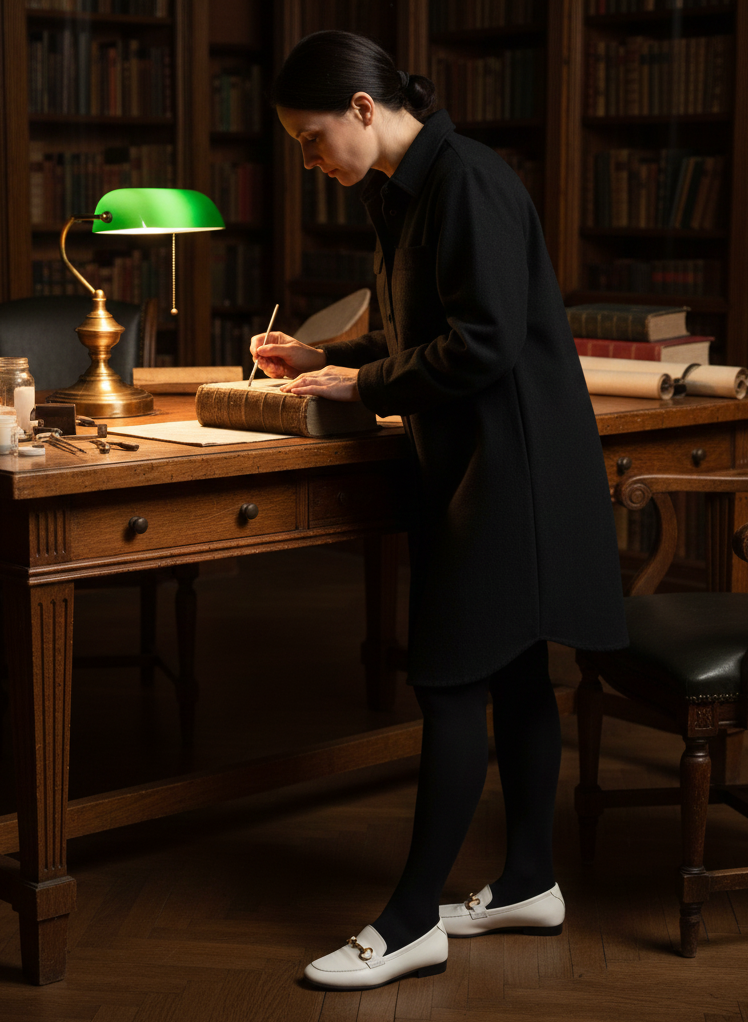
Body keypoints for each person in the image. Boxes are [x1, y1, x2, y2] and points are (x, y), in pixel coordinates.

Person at [251, 31, 629, 992]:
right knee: (512, 681)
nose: (308, 158)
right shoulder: (407, 189)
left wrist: (361, 381)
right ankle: (531, 881)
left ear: (365, 111)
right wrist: (317, 357)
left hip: (515, 472)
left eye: (310, 135)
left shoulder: (467, 181)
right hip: (486, 462)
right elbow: (431, 321)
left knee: (454, 681)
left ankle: (412, 920)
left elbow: (486, 344)